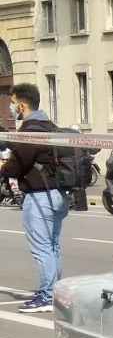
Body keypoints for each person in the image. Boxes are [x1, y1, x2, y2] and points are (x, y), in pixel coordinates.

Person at [0, 83, 70, 313]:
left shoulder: (31, 132)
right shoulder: (49, 127)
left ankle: (47, 295)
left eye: (12, 104)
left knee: (42, 249)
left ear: (22, 105)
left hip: (40, 197)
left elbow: (14, 167)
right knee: (52, 246)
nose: (11, 108)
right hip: (57, 195)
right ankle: (54, 291)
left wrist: (3, 164)